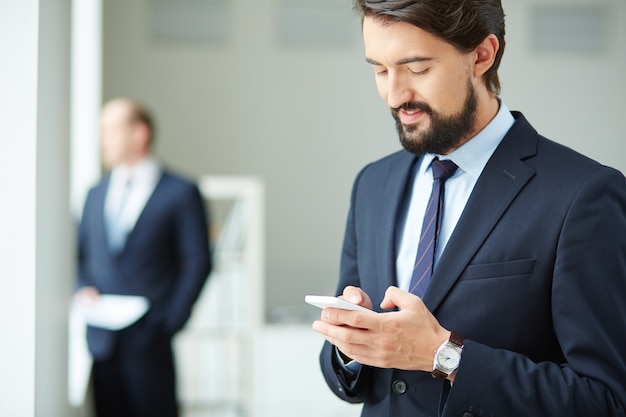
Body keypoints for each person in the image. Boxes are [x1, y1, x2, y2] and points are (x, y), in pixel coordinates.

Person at [312, 1, 626, 416]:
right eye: (380, 69)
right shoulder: (373, 185)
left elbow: (605, 400)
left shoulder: (583, 194)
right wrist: (349, 347)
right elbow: (353, 382)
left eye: (417, 68)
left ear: (482, 54)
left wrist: (443, 354)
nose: (394, 94)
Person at [75, 98, 212, 417]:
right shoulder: (95, 192)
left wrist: (169, 321)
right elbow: (81, 255)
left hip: (151, 338)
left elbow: (198, 262)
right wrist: (83, 287)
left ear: (139, 134)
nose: (101, 139)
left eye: (109, 129)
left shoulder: (180, 192)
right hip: (102, 341)